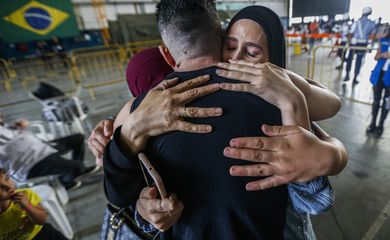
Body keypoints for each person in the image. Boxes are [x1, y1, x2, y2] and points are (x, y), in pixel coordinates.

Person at [103, 2, 346, 239]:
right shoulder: (277, 97)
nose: (237, 60)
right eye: (231, 46)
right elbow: (332, 105)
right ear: (221, 36)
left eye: (252, 53)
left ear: (166, 53)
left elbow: (118, 194)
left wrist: (333, 155)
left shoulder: (141, 110)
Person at [0, 116, 99, 189]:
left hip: (43, 146)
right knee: (78, 166)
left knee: (78, 138)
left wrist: (17, 126)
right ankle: (66, 182)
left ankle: (72, 172)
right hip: (30, 162)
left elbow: (9, 135)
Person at [0, 168, 66, 239]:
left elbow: (42, 220)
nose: (8, 187)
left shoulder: (25, 195)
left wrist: (28, 206)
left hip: (44, 234)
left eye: (7, 178)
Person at [367, 25, 390, 137]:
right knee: (376, 101)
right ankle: (373, 123)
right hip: (380, 74)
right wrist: (382, 55)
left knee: (387, 103)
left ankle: (381, 125)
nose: (383, 32)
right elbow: (376, 57)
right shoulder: (383, 41)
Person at [344, 7, 377, 83]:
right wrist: (371, 46)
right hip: (362, 44)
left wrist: (348, 43)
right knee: (358, 61)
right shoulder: (372, 24)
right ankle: (355, 78)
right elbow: (372, 36)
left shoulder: (356, 22)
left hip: (353, 43)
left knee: (349, 60)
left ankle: (347, 75)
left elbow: (351, 34)